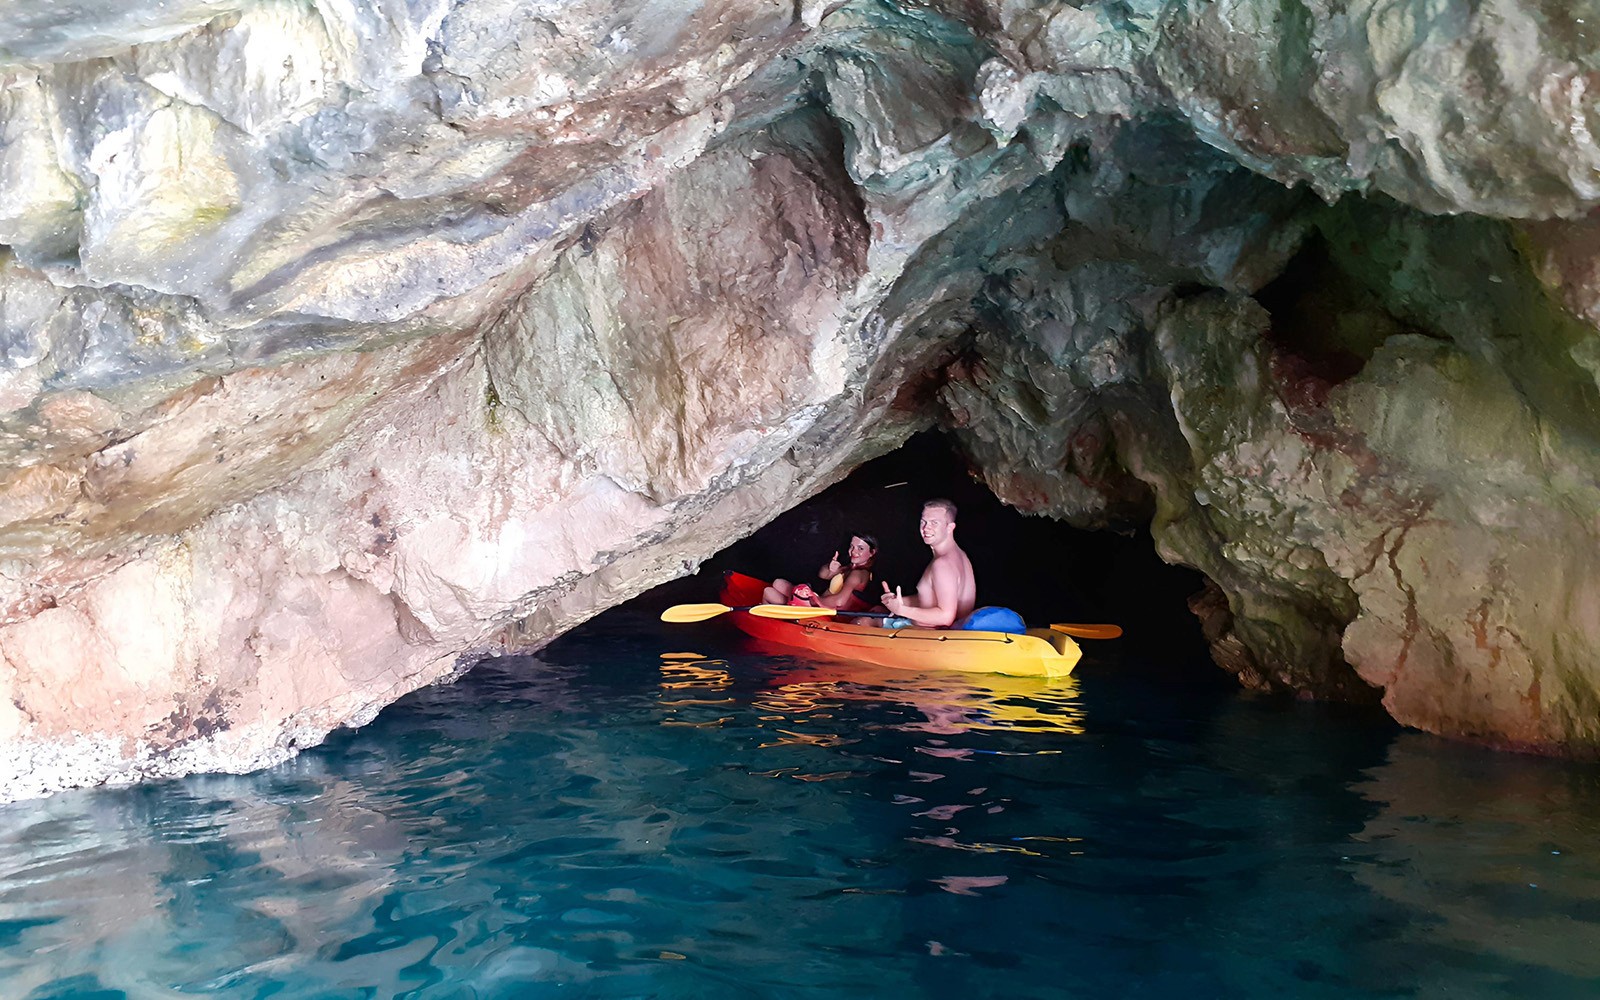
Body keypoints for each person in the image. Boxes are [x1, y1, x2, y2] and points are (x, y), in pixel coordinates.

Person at [879, 498, 976, 628]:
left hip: (933, 636)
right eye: (923, 522)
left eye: (934, 523)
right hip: (941, 632)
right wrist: (900, 602)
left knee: (863, 622)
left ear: (950, 527)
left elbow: (946, 617)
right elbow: (932, 598)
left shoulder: (942, 564)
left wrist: (901, 610)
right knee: (877, 610)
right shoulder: (959, 556)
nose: (926, 528)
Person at [763, 533, 879, 612]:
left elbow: (840, 601)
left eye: (860, 548)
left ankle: (778, 618)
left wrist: (814, 600)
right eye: (852, 546)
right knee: (776, 584)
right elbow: (823, 575)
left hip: (824, 609)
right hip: (818, 603)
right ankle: (782, 615)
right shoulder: (849, 568)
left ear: (872, 552)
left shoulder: (859, 574)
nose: (854, 551)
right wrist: (830, 567)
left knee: (769, 592)